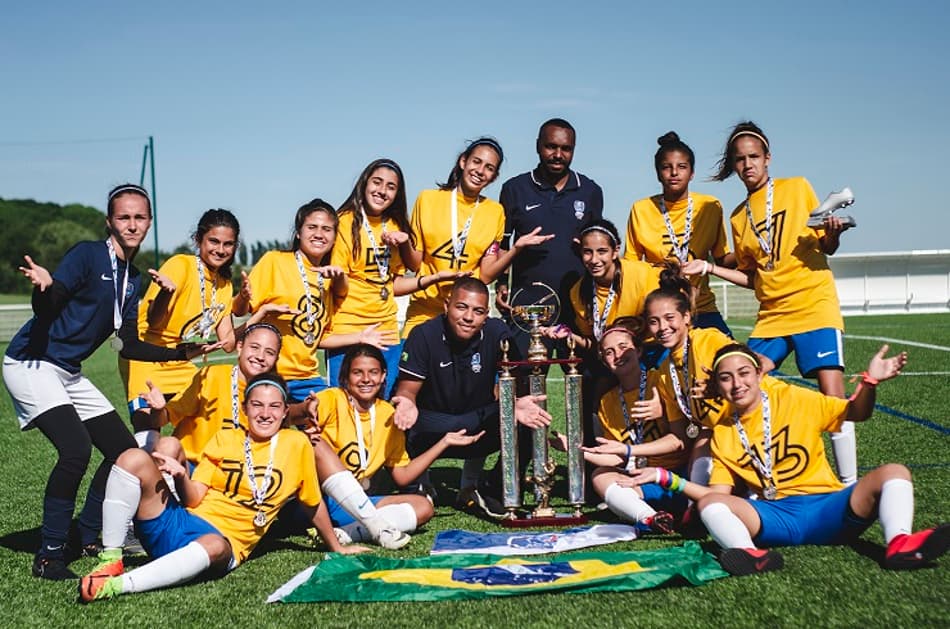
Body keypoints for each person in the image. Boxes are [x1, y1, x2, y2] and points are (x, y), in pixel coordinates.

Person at [2, 184, 212, 580]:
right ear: (109, 222)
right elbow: (51, 301)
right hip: (31, 362)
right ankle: (49, 555)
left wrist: (179, 353)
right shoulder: (87, 255)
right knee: (76, 450)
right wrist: (43, 289)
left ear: (149, 222)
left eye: (139, 217)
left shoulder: (132, 278)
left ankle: (86, 534)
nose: (132, 224)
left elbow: (128, 343)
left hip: (67, 370)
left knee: (124, 451)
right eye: (123, 217)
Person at [622, 343, 949, 576]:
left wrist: (870, 382)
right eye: (726, 378)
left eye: (744, 373)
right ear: (718, 386)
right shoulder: (723, 430)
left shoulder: (794, 398)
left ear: (758, 374)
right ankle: (750, 554)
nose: (737, 384)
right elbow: (716, 496)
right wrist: (668, 479)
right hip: (774, 517)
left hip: (827, 507)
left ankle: (900, 544)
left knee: (894, 471)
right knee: (711, 505)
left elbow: (856, 412)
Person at [78, 373, 364, 603]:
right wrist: (182, 477)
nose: (265, 413)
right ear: (245, 408)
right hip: (179, 522)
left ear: (285, 411)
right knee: (132, 458)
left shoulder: (297, 444)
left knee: (214, 546)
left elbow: (312, 502)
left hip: (223, 543)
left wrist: (336, 546)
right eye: (257, 405)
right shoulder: (225, 438)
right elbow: (194, 500)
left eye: (274, 406)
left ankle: (118, 586)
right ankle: (111, 559)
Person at [686, 121, 857, 486]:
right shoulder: (738, 216)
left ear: (767, 158)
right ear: (734, 165)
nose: (747, 165)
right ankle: (755, 477)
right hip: (772, 314)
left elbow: (825, 246)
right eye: (740, 159)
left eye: (753, 157)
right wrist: (710, 267)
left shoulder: (797, 187)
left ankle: (849, 486)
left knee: (833, 396)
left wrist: (833, 234)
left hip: (813, 304)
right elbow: (753, 277)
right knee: (746, 381)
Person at [143, 323, 413, 550]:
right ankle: (163, 520)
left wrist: (305, 411)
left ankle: (355, 527)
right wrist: (158, 410)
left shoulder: (273, 390)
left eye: (269, 352)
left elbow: (290, 416)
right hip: (198, 471)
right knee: (168, 444)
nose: (260, 356)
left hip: (247, 477)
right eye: (254, 348)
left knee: (305, 455)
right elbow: (165, 418)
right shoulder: (212, 375)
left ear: (276, 360)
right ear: (239, 347)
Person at [392, 277, 552, 517]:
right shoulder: (424, 334)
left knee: (529, 418)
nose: (468, 317)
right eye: (461, 307)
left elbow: (516, 381)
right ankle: (418, 485)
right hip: (431, 426)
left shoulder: (497, 332)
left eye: (477, 311)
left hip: (477, 424)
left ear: (486, 315)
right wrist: (406, 402)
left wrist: (514, 404)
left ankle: (491, 488)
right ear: (446, 305)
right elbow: (407, 390)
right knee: (396, 414)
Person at [303, 344, 487, 545]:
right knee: (314, 442)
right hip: (314, 502)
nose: (366, 379)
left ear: (383, 376)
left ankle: (344, 535)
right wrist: (304, 408)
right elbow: (292, 415)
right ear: (346, 377)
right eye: (357, 373)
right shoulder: (332, 398)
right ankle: (375, 526)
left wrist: (444, 442)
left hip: (355, 505)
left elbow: (402, 476)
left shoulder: (388, 414)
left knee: (423, 506)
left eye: (373, 372)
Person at [232, 199, 386, 403]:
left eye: (327, 229)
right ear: (298, 232)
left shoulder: (329, 279)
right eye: (312, 227)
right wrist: (243, 297)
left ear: (334, 237)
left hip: (307, 377)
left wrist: (360, 337)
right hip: (267, 373)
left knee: (332, 412)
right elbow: (239, 310)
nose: (319, 234)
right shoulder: (274, 261)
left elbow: (318, 337)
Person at [400, 137, 552, 337]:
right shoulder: (427, 199)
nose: (480, 171)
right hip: (424, 312)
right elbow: (414, 264)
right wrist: (404, 242)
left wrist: (516, 249)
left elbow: (486, 275)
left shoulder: (495, 212)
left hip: (467, 317)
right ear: (463, 161)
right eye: (476, 162)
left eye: (489, 168)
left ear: (494, 176)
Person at [122, 209, 240, 450]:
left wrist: (260, 314)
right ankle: (123, 472)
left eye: (228, 244)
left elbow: (228, 343)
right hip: (146, 356)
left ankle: (183, 469)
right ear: (198, 239)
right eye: (214, 241)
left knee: (206, 418)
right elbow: (154, 322)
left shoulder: (225, 284)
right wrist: (166, 294)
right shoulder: (180, 265)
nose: (220, 249)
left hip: (179, 360)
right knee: (147, 436)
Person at [552, 318, 684, 533]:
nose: (618, 355)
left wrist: (631, 449)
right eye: (609, 352)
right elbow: (616, 457)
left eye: (623, 347)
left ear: (638, 350)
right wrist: (575, 449)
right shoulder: (608, 401)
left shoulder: (661, 381)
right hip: (640, 480)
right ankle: (651, 519)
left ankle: (685, 507)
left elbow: (680, 439)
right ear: (604, 362)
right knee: (600, 475)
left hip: (676, 474)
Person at [496, 118, 604, 357]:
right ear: (538, 146)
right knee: (526, 376)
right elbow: (503, 243)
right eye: (551, 147)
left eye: (566, 149)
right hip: (528, 305)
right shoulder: (514, 189)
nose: (558, 155)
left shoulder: (590, 191)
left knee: (582, 377)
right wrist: (501, 283)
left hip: (578, 304)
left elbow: (599, 246)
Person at [625, 132, 734, 336]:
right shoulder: (641, 209)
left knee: (731, 353)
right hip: (660, 310)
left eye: (682, 166)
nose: (674, 172)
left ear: (692, 172)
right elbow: (631, 268)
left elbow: (722, 259)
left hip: (701, 307)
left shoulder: (710, 206)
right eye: (666, 167)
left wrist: (751, 250)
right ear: (658, 173)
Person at [329, 159, 416, 396]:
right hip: (349, 329)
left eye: (391, 186)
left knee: (383, 404)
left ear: (397, 194)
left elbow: (392, 283)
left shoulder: (395, 225)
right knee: (344, 404)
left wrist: (431, 278)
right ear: (364, 183)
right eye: (377, 182)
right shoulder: (344, 221)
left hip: (386, 330)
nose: (382, 190)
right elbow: (339, 284)